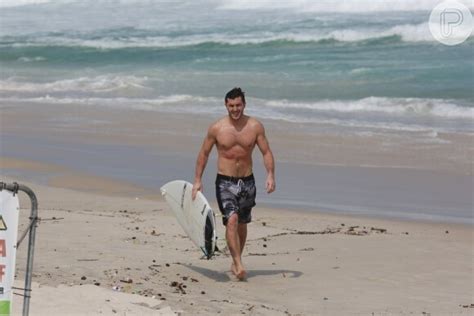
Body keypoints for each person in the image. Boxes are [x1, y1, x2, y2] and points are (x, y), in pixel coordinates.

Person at [192, 87, 276, 281]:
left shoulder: (255, 127)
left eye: (238, 105)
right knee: (231, 219)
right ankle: (238, 263)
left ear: (244, 105)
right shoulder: (217, 128)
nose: (235, 109)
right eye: (231, 106)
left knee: (242, 223)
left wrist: (270, 175)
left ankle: (236, 258)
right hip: (225, 182)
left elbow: (266, 152)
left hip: (247, 181)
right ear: (225, 105)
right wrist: (197, 180)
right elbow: (203, 153)